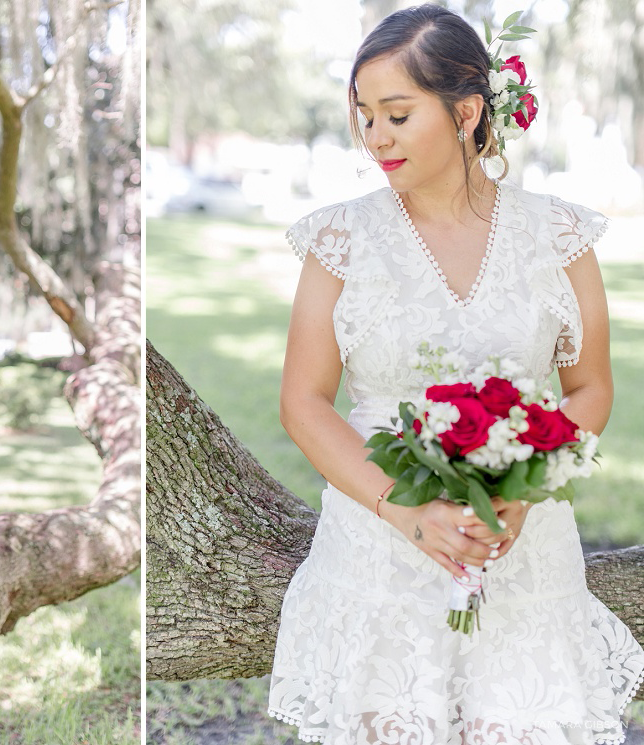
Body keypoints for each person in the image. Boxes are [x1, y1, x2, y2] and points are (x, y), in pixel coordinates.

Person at [266, 5, 644, 743]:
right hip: (377, 552)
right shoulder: (339, 240)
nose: (377, 137)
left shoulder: (562, 237)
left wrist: (524, 489)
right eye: (365, 116)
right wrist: (405, 512)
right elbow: (303, 403)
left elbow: (589, 387)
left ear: (468, 111)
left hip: (522, 551)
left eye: (398, 115)